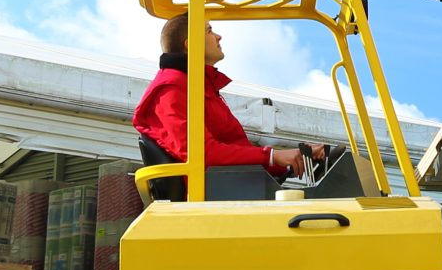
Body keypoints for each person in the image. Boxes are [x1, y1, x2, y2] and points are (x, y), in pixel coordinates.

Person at [133, 11, 327, 181]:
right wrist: (272, 156)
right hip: (210, 198)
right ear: (191, 44)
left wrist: (288, 161)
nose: (219, 36)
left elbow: (233, 148)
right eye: (209, 31)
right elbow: (202, 154)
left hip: (228, 188)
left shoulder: (197, 86)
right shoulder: (170, 90)